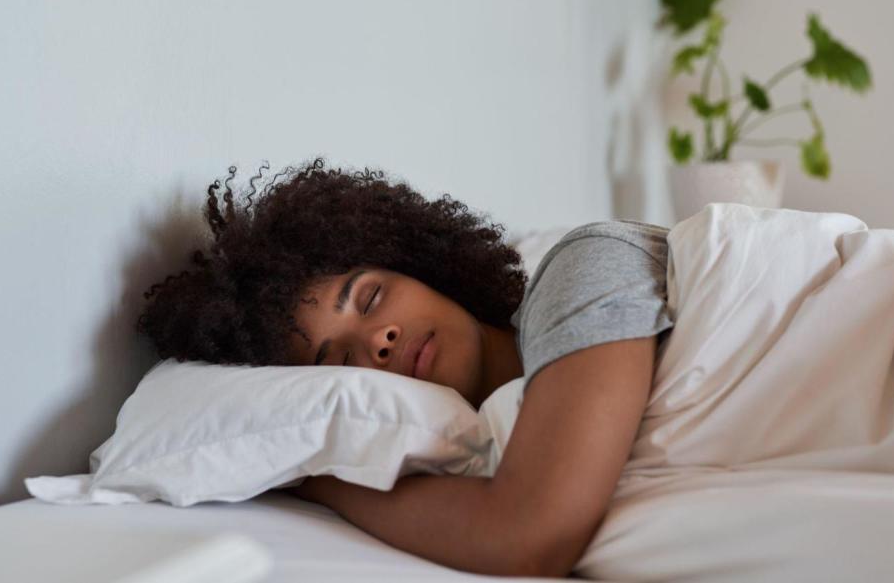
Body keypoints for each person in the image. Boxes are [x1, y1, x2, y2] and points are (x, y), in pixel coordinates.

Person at [137, 158, 675, 577]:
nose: (380, 340)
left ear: (422, 266)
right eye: (344, 361)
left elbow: (531, 538)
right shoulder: (487, 431)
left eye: (370, 298)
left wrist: (318, 480)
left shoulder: (580, 268)